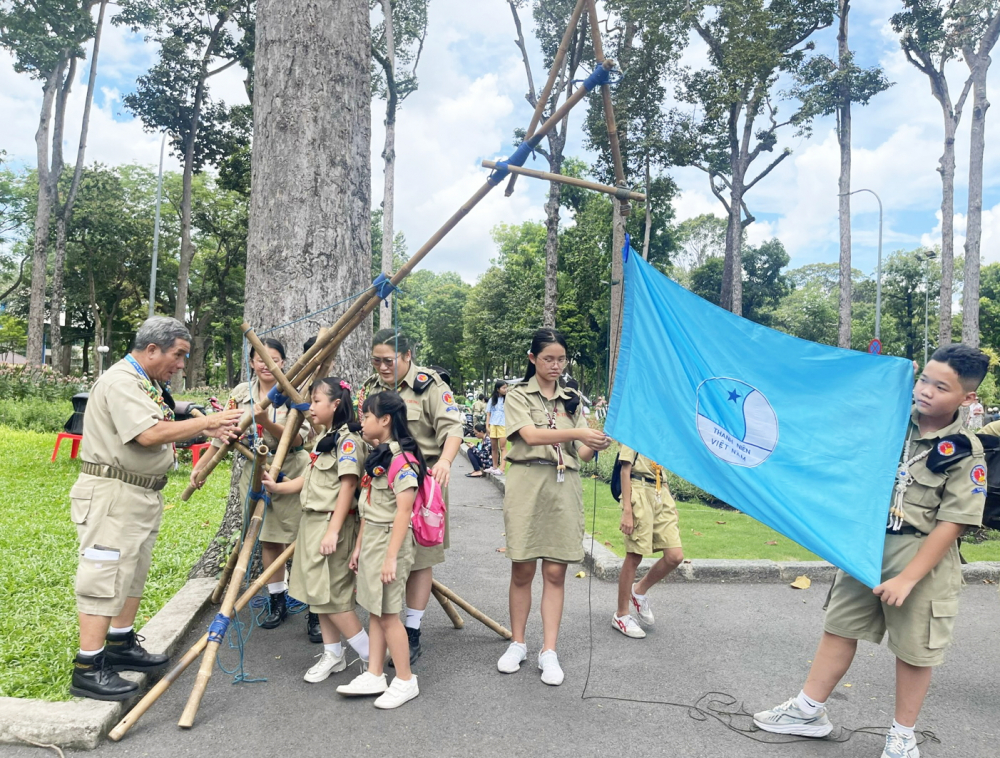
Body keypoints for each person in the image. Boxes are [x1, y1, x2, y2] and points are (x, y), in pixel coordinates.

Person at [753, 343, 990, 758]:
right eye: (923, 380)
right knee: (840, 626)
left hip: (921, 559)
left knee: (915, 650)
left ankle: (902, 736)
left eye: (941, 387)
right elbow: (845, 411)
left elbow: (953, 523)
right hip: (865, 547)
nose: (926, 391)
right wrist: (883, 380)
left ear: (967, 397)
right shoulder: (891, 420)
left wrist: (908, 578)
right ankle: (808, 711)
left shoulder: (966, 451)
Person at [70, 316, 242, 700]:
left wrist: (199, 421)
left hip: (139, 493)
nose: (181, 365)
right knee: (104, 575)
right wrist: (209, 423)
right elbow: (148, 434)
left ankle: (120, 644)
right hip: (113, 492)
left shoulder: (144, 382)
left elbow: (162, 417)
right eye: (177, 355)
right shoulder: (120, 382)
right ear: (152, 349)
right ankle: (88, 667)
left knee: (131, 572)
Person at [496, 328, 610, 686]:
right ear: (532, 359)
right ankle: (518, 643)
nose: (556, 365)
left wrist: (599, 440)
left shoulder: (572, 400)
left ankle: (549, 651)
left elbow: (583, 453)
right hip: (527, 484)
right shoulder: (517, 394)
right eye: (548, 358)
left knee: (556, 572)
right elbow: (530, 436)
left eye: (561, 359)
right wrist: (577, 433)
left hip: (564, 487)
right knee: (522, 568)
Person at [191, 338, 315, 638]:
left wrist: (265, 422)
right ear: (251, 362)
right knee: (269, 536)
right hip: (255, 469)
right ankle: (277, 598)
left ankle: (315, 607)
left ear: (283, 362)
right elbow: (222, 437)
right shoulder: (240, 393)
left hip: (290, 469)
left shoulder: (294, 392)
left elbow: (301, 439)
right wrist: (202, 466)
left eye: (273, 359)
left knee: (302, 538)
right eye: (260, 359)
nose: (266, 365)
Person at [359, 329, 463, 664]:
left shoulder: (429, 386)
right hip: (381, 484)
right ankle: (385, 624)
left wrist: (445, 461)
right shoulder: (372, 387)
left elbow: (453, 428)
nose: (382, 367)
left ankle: (412, 629)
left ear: (407, 356)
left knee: (419, 560)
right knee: (381, 553)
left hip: (422, 485)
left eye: (388, 361)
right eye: (376, 361)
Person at [262, 377, 370, 682]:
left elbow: (347, 486)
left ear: (335, 404)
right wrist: (278, 487)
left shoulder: (347, 441)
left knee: (332, 597)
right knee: (317, 595)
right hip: (312, 523)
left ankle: (371, 654)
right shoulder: (326, 438)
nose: (310, 407)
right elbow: (309, 479)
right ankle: (333, 654)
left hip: (331, 523)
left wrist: (333, 531)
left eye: (317, 401)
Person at [335, 391, 422, 709]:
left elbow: (403, 512)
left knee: (388, 615)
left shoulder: (402, 460)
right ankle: (374, 673)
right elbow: (369, 507)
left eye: (367, 416)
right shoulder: (381, 455)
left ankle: (405, 679)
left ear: (385, 420)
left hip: (389, 541)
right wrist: (359, 546)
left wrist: (390, 558)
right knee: (375, 608)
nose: (362, 422)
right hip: (373, 537)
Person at [612, 445, 683, 639]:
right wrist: (627, 511)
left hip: (660, 492)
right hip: (639, 490)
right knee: (634, 555)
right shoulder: (634, 431)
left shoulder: (657, 435)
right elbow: (625, 470)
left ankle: (638, 590)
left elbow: (661, 469)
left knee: (675, 556)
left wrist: (671, 502)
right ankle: (621, 615)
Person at [485, 380, 508, 474]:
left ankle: (502, 469)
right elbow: (488, 414)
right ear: (498, 389)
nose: (505, 390)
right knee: (494, 447)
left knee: (503, 447)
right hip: (493, 424)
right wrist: (487, 426)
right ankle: (494, 467)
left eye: (506, 387)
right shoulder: (492, 400)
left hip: (503, 425)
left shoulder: (508, 399)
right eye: (503, 388)